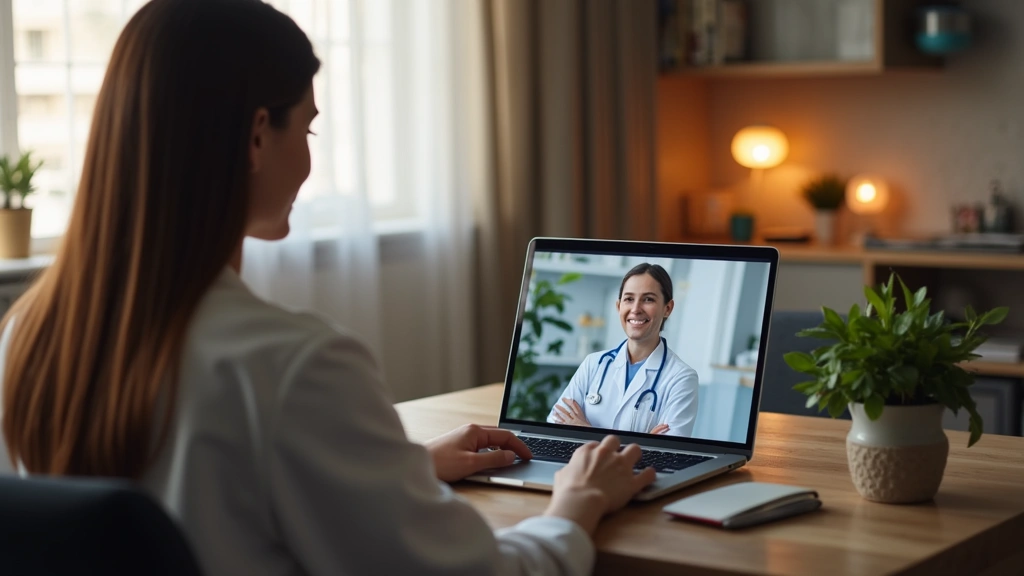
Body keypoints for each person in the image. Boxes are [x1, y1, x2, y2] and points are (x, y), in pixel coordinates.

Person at [0, 1, 656, 574]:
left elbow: (204, 504)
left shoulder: (26, 337)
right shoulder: (294, 366)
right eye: (307, 127)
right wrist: (578, 504)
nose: (310, 156)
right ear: (258, 135)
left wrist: (396, 469)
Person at [547, 263, 699, 436]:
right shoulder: (594, 363)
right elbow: (556, 422)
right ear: (619, 306)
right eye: (629, 299)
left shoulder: (681, 378)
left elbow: (668, 452)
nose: (635, 309)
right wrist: (639, 446)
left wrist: (586, 431)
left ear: (668, 308)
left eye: (648, 299)